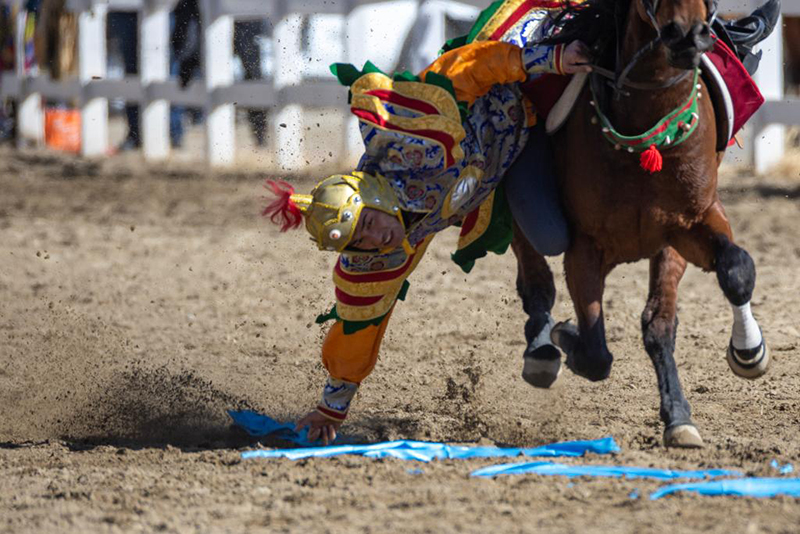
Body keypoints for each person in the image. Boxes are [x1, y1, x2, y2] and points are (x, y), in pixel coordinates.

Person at [264, 0, 592, 445]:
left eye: (369, 224)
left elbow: (467, 68)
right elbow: (360, 325)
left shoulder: (414, 136)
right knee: (551, 237)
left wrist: (548, 59)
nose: (377, 239)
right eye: (361, 242)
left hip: (519, 87)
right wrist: (331, 408)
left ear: (373, 197)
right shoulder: (379, 253)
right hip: (516, 157)